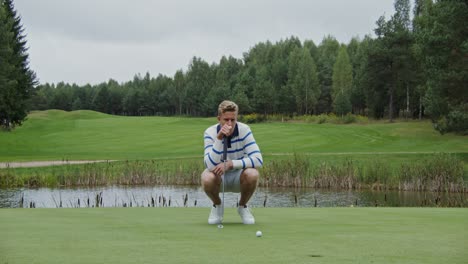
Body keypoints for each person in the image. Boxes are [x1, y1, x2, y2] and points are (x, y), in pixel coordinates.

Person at [202, 100, 263, 225]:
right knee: (206, 177)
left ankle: (243, 206)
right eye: (226, 120)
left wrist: (231, 164)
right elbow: (209, 165)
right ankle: (217, 206)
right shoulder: (210, 133)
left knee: (253, 174)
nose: (230, 124)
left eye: (233, 120)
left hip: (239, 176)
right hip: (218, 177)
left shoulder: (244, 130)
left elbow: (258, 160)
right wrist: (219, 139)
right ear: (219, 118)